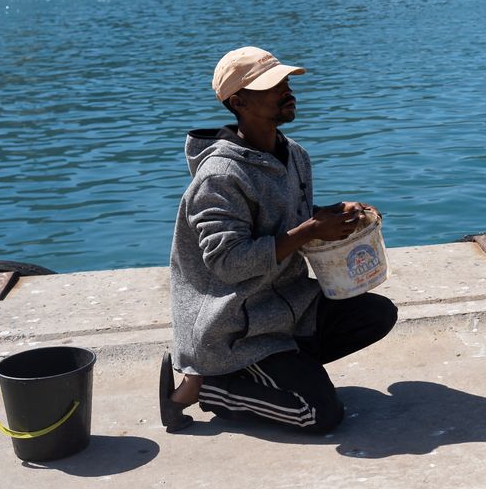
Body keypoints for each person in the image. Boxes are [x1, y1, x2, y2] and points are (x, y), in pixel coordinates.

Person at [160, 46, 398, 434]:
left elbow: (296, 218)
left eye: (285, 81)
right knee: (319, 415)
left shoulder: (295, 155)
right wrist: (310, 230)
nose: (286, 91)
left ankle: (281, 369)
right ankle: (213, 386)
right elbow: (229, 263)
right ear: (237, 102)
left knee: (376, 313)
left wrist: (336, 215)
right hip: (232, 325)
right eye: (272, 86)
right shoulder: (219, 177)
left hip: (286, 305)